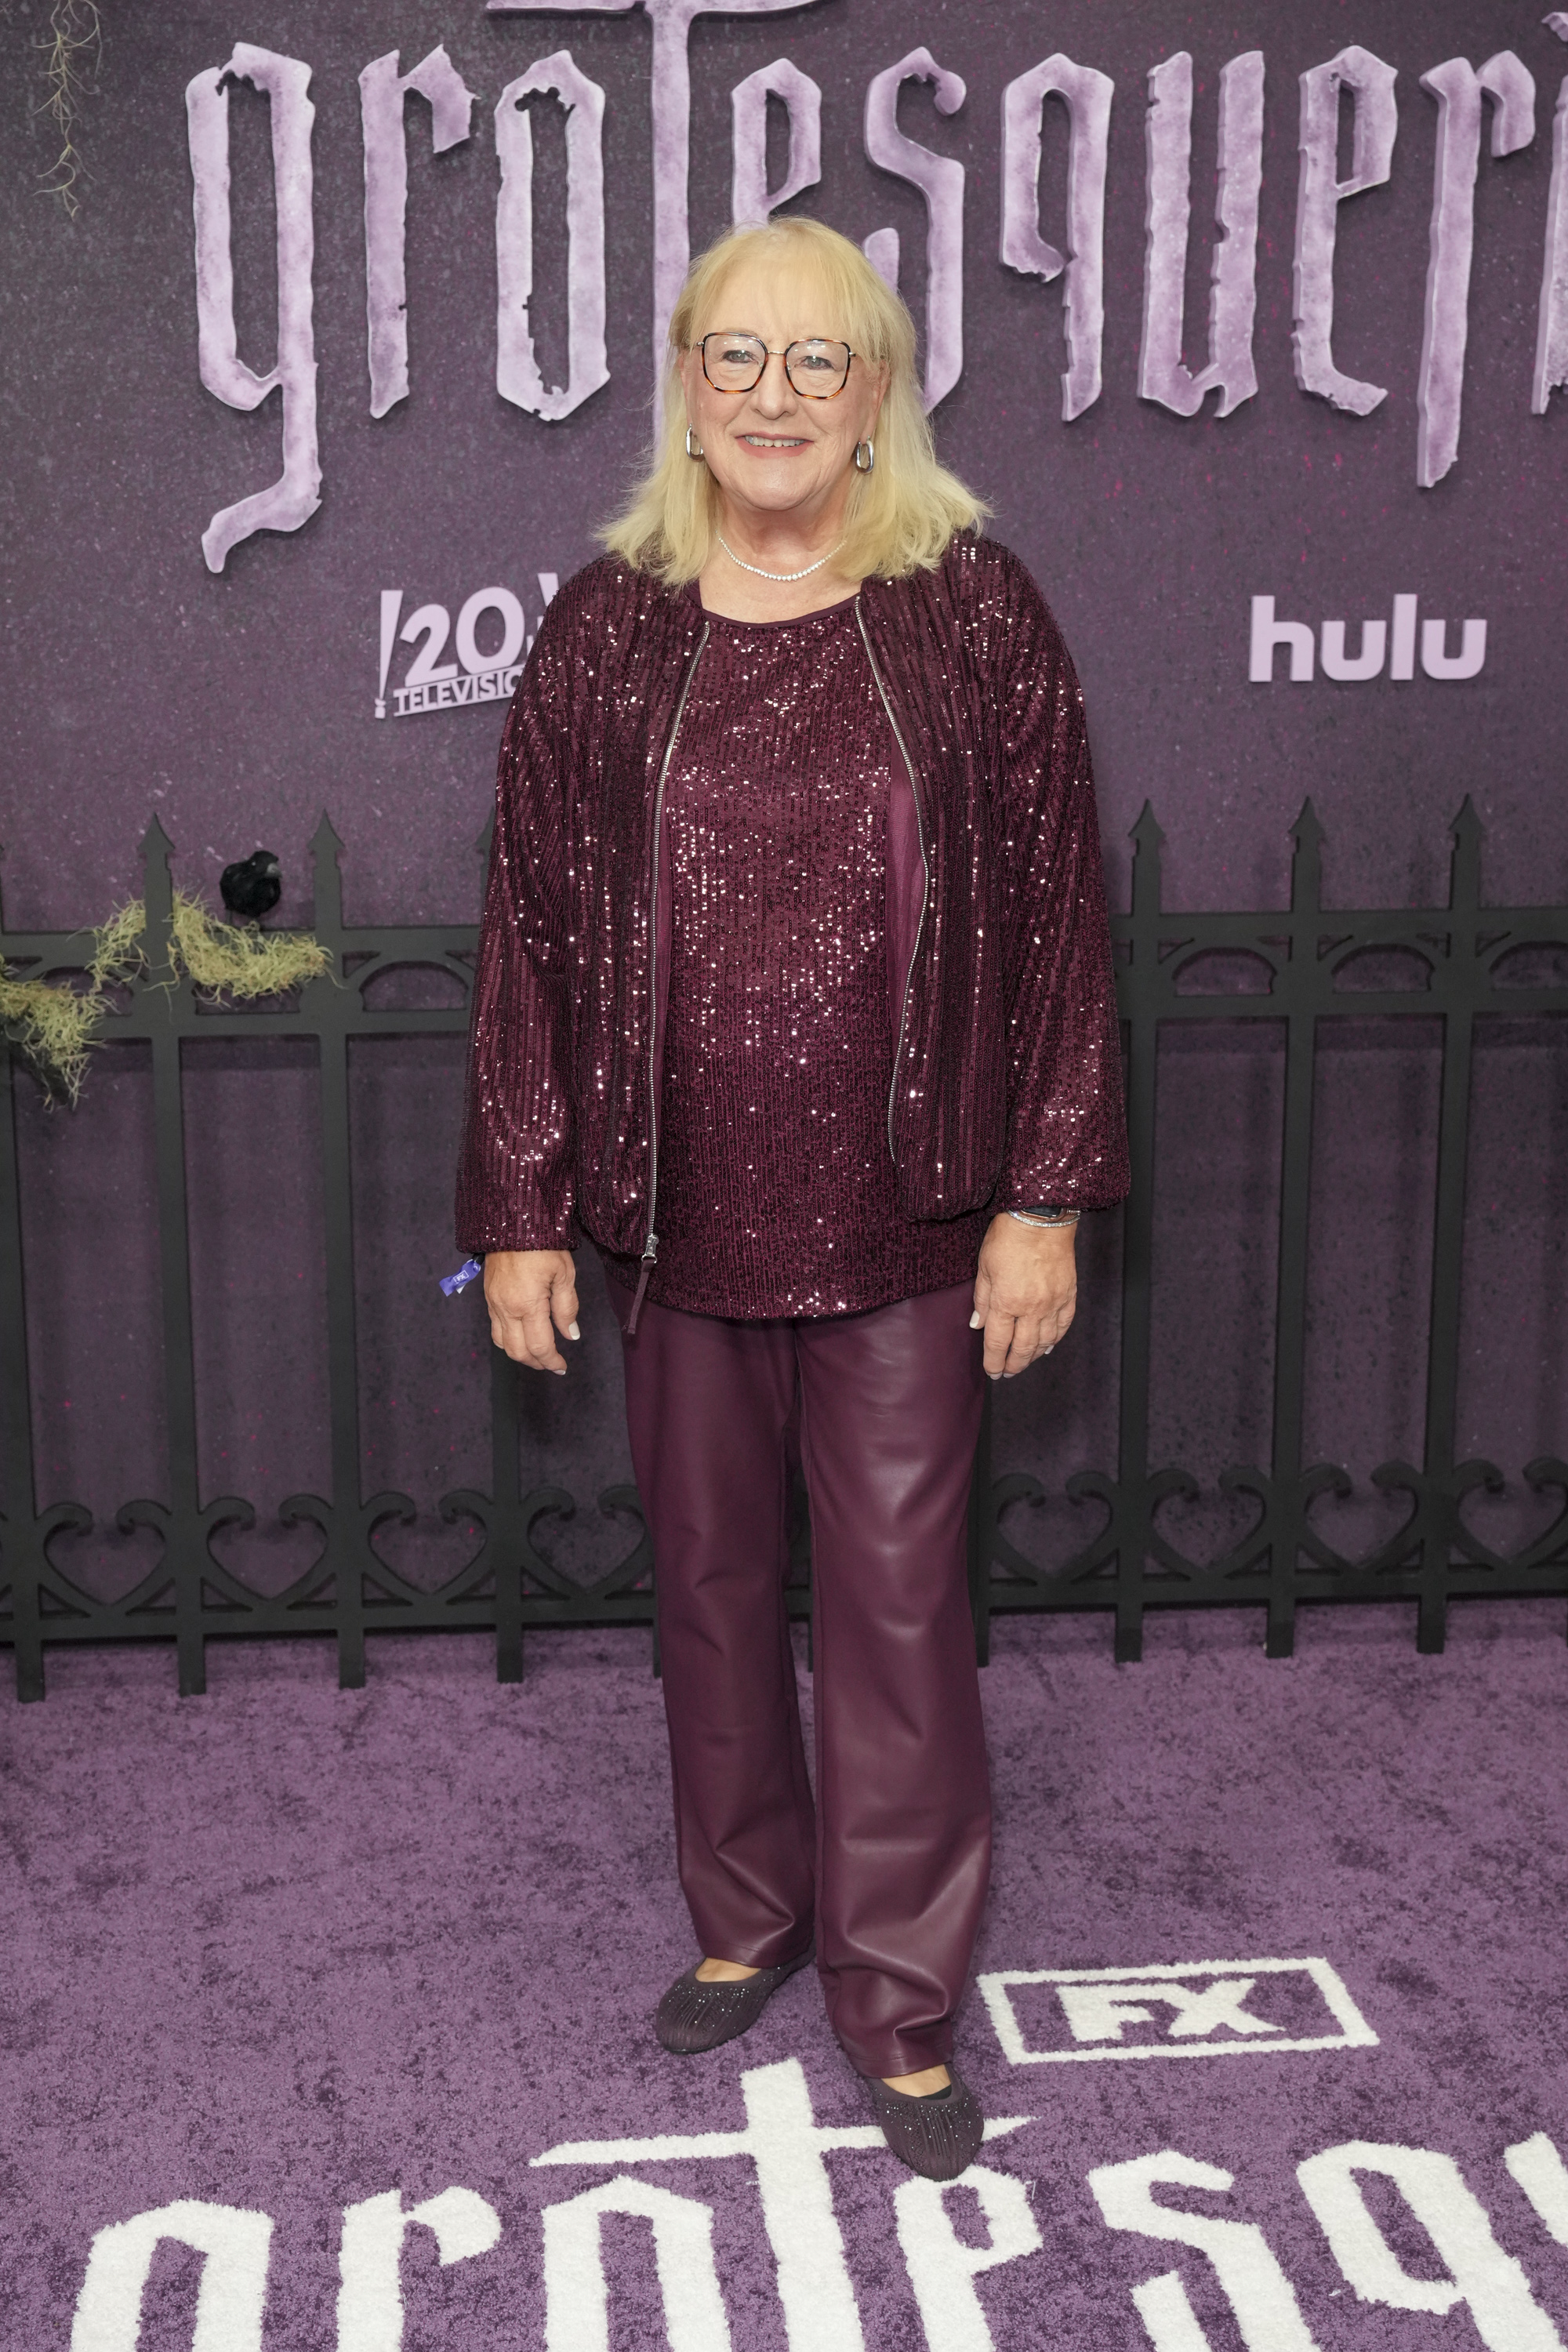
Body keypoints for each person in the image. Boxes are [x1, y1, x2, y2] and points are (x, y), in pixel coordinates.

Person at [456, 217, 1128, 2180]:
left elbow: (1064, 922)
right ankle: (746, 1921)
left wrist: (1045, 1197)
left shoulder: (973, 611)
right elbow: (525, 938)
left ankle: (899, 2002)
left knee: (905, 1615)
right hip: (675, 1225)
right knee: (710, 1593)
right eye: (732, 358)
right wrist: (520, 1201)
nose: (769, 396)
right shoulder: (607, 623)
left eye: (813, 362)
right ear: (684, 384)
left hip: (914, 1221)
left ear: (878, 394)